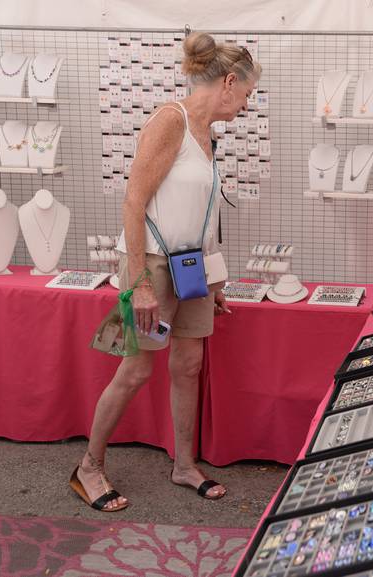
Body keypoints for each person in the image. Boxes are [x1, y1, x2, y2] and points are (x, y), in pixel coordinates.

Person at [69, 33, 261, 511]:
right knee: (135, 370)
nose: (247, 104)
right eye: (249, 93)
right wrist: (136, 283)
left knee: (189, 365)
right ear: (230, 82)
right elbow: (133, 204)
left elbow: (202, 215)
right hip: (152, 264)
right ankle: (88, 468)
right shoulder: (169, 121)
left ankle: (183, 464)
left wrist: (215, 281)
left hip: (191, 267)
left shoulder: (207, 135)